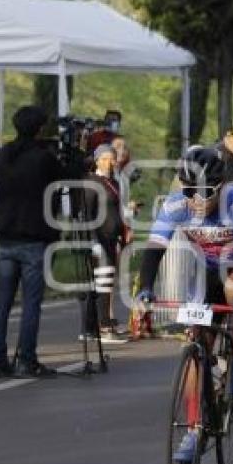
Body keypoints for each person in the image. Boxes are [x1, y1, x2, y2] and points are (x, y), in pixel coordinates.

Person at [136, 146, 233, 464]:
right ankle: (195, 427)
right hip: (206, 272)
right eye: (189, 191)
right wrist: (145, 291)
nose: (196, 199)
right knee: (196, 345)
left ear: (220, 187)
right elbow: (155, 247)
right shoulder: (176, 204)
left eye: (204, 193)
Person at [0, 106, 63, 378]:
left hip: (6, 233)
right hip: (33, 235)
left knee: (3, 301)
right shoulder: (43, 158)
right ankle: (26, 359)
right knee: (31, 302)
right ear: (39, 129)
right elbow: (67, 176)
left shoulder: (5, 154)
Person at [84, 144, 132, 344]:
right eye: (104, 159)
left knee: (106, 283)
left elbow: (116, 211)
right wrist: (92, 240)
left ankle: (93, 327)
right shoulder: (91, 181)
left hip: (112, 239)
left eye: (112, 159)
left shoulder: (114, 182)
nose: (109, 163)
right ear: (96, 161)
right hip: (99, 240)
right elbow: (87, 213)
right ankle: (102, 327)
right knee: (101, 285)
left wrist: (124, 230)